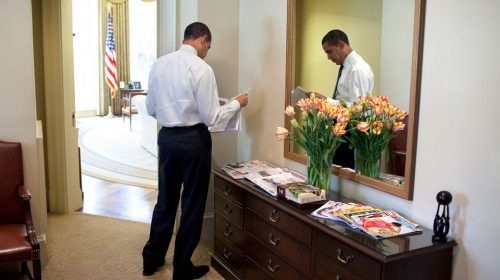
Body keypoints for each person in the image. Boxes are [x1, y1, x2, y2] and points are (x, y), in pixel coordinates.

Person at [142, 22, 249, 279]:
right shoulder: (202, 69)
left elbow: (151, 108)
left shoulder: (159, 64)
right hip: (194, 141)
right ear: (202, 39)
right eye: (207, 47)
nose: (206, 53)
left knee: (165, 201)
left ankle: (151, 260)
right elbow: (211, 116)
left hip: (166, 138)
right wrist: (236, 103)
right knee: (192, 204)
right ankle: (182, 267)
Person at [316, 29, 374, 169]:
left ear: (341, 44)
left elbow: (359, 108)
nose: (328, 57)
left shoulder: (357, 69)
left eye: (329, 51)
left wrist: (327, 102)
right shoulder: (347, 67)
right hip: (342, 127)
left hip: (351, 132)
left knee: (345, 171)